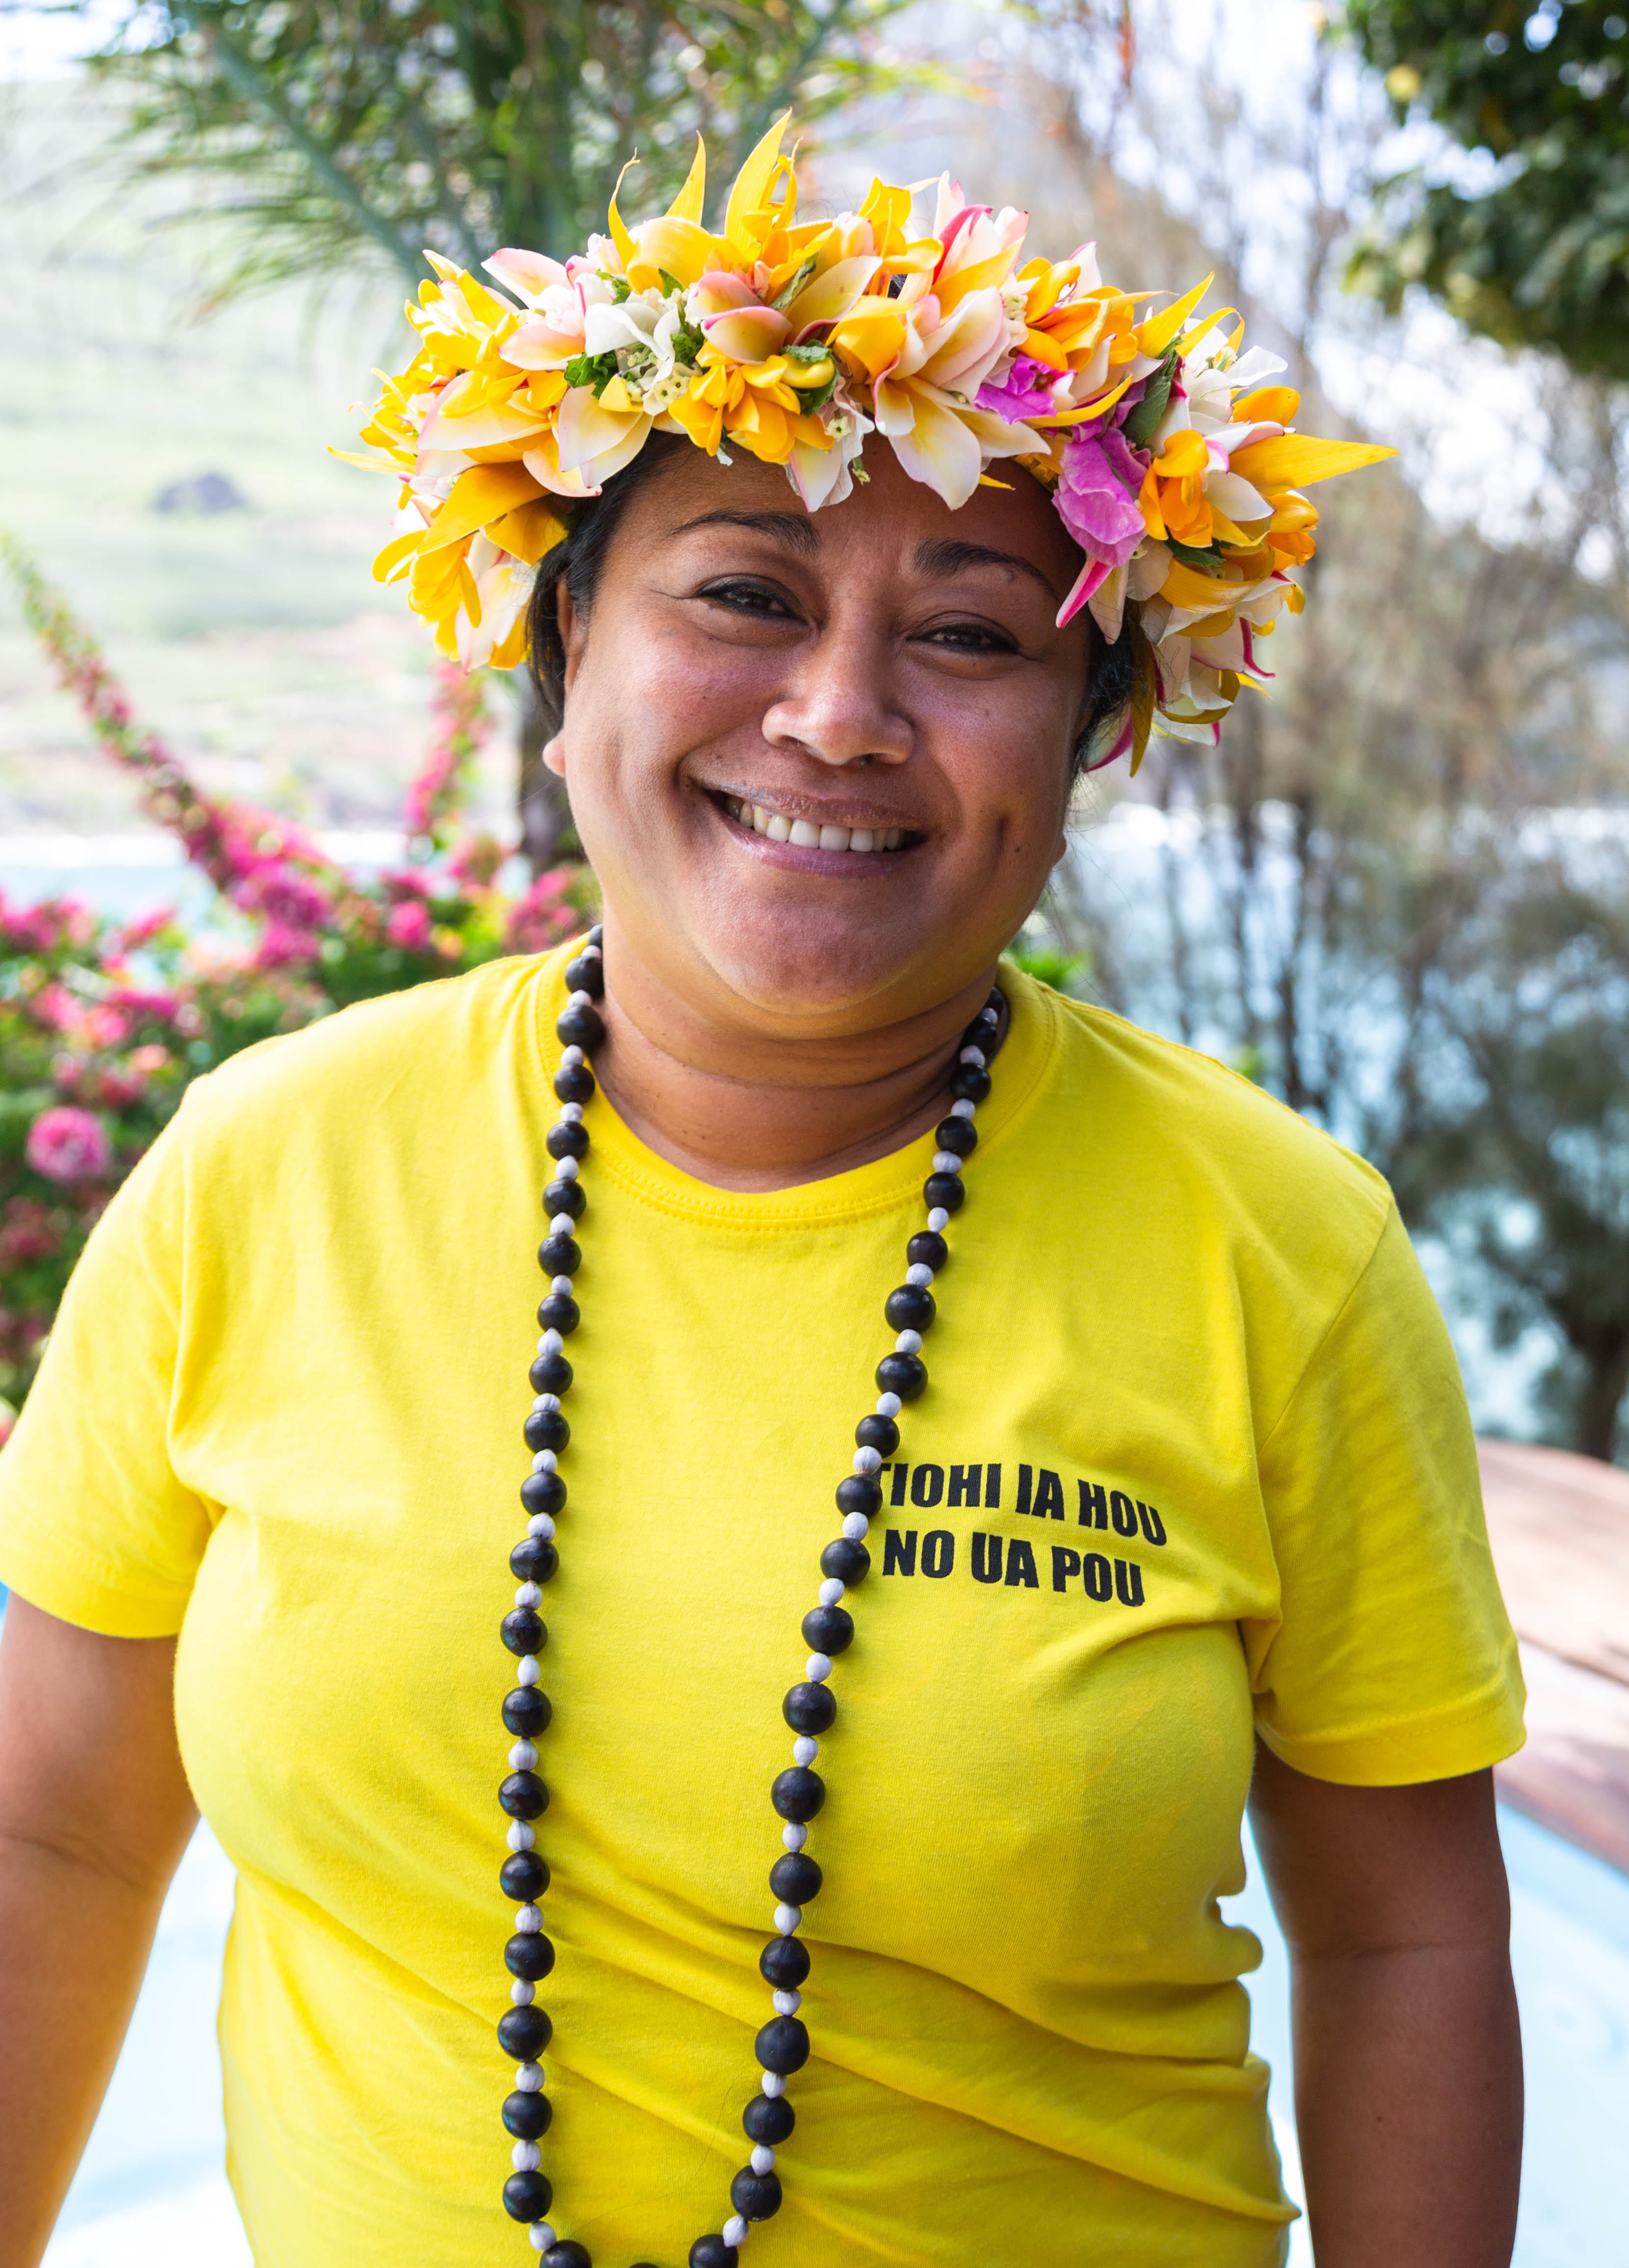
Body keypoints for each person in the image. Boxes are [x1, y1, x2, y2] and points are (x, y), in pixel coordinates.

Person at [0, 129, 1523, 2268]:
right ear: (568, 649)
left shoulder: (1278, 1249)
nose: (837, 715)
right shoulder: (267, 1170)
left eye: (971, 633)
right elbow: (54, 1842)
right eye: (743, 594)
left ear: (1088, 736)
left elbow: (1405, 1944)